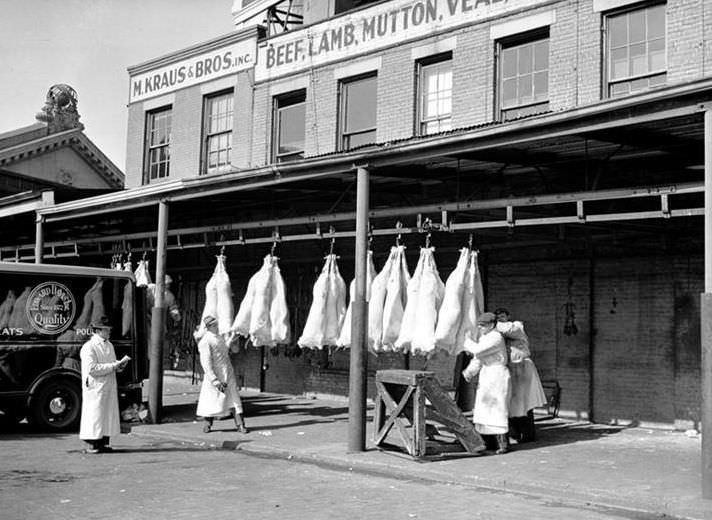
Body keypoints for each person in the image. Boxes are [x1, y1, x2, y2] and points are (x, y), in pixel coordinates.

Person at [494, 307, 548, 443]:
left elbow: (509, 330)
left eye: (502, 316)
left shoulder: (516, 326)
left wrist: (492, 323)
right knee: (510, 403)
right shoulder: (499, 334)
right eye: (498, 317)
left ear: (508, 316)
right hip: (510, 369)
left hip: (522, 367)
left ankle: (528, 435)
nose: (500, 319)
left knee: (525, 403)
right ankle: (515, 433)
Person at [462, 312, 511, 454]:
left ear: (491, 325)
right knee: (483, 410)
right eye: (479, 325)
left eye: (483, 326)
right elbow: (479, 357)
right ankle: (487, 442)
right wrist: (469, 372)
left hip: (497, 375)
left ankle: (503, 444)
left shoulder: (496, 337)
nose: (480, 328)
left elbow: (477, 349)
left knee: (498, 409)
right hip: (487, 374)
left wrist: (465, 340)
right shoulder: (485, 337)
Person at [79, 317, 129, 454]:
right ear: (98, 331)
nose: (109, 332)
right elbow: (92, 369)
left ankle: (103, 442)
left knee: (107, 414)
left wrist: (119, 366)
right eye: (106, 330)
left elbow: (111, 364)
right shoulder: (89, 347)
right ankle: (92, 443)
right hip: (96, 386)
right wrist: (113, 366)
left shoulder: (109, 345)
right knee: (95, 414)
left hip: (108, 384)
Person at [196, 315, 247, 434]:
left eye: (217, 325)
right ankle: (207, 424)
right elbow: (206, 363)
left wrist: (232, 338)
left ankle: (240, 424)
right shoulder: (205, 341)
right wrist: (214, 380)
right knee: (211, 399)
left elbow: (224, 351)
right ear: (209, 327)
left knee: (234, 397)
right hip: (215, 374)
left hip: (227, 371)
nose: (217, 327)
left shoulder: (219, 337)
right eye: (214, 325)